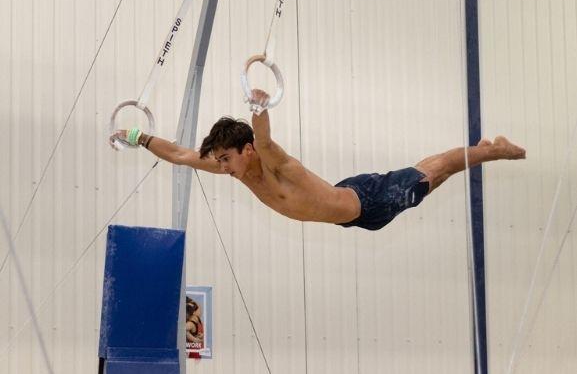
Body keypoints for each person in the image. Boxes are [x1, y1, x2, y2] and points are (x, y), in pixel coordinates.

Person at [110, 89, 526, 231]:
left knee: (435, 171)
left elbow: (264, 138)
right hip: (349, 208)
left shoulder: (271, 161)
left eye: (225, 159)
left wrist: (258, 106)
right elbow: (181, 155)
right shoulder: (237, 172)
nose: (222, 167)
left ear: (246, 150)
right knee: (428, 175)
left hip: (367, 202)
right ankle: (480, 149)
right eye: (218, 161)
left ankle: (493, 150)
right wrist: (136, 136)